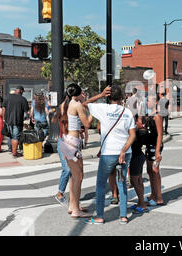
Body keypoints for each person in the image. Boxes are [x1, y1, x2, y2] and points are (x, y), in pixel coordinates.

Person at [84, 86, 136, 225]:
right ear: (122, 98)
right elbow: (132, 135)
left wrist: (100, 94)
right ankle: (123, 216)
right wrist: (124, 150)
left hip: (108, 154)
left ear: (108, 97)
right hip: (124, 154)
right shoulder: (127, 112)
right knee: (122, 184)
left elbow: (84, 103)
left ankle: (100, 216)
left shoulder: (103, 109)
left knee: (101, 185)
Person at [57, 84, 92, 219]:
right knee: (78, 177)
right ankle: (76, 209)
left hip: (65, 140)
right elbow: (87, 124)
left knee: (74, 175)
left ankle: (73, 205)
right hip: (73, 142)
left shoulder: (63, 105)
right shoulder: (76, 105)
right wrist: (92, 114)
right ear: (77, 94)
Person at [141, 94, 165, 207]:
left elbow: (160, 134)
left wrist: (157, 151)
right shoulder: (148, 116)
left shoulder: (157, 116)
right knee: (150, 171)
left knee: (155, 171)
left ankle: (159, 197)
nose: (146, 103)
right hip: (149, 145)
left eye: (148, 101)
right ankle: (153, 194)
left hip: (155, 145)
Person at [2, 86, 29, 158]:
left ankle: (12, 150)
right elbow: (26, 111)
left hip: (8, 120)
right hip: (17, 121)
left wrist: (4, 119)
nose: (23, 93)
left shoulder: (7, 97)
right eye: (23, 91)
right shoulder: (23, 99)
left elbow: (3, 109)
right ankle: (14, 152)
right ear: (20, 91)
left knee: (11, 136)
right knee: (15, 137)